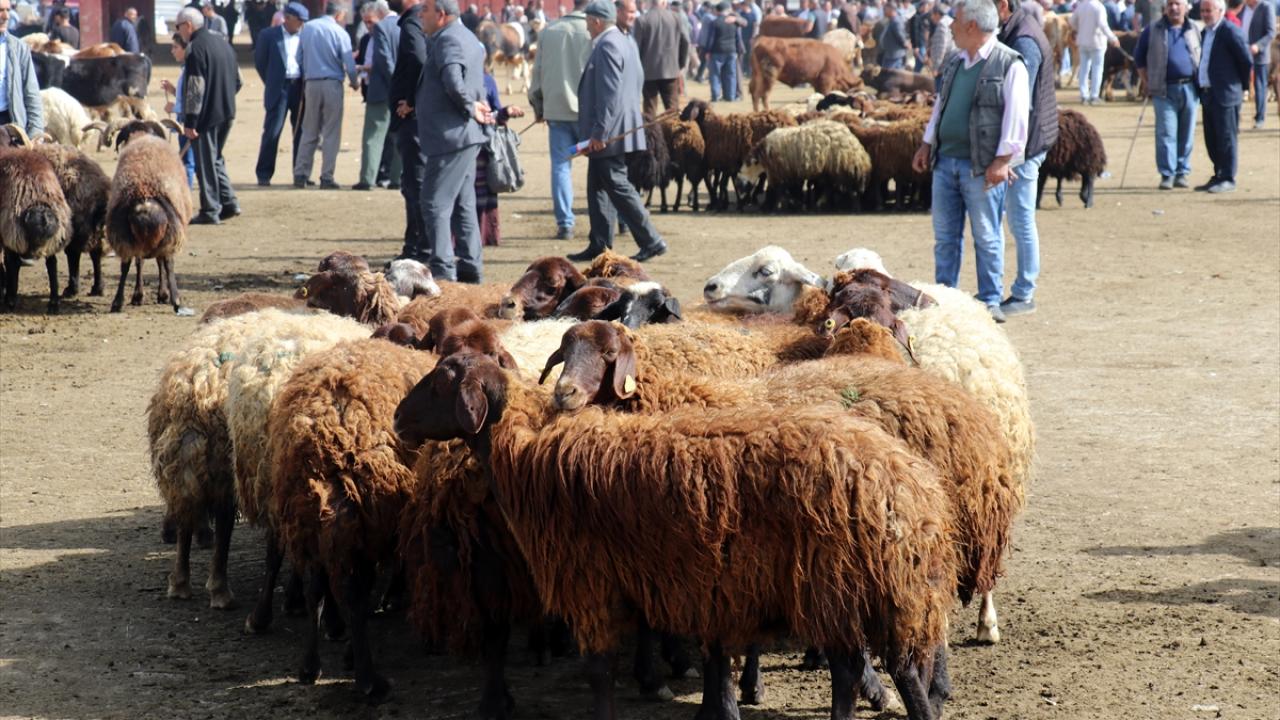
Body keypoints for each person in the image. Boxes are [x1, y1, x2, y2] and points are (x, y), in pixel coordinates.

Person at [911, 0, 1029, 324]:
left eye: (956, 21)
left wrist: (1003, 160)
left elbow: (1017, 119)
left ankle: (989, 300)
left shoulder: (1010, 64)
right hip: (945, 161)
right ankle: (945, 296)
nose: (950, 27)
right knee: (946, 236)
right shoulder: (955, 62)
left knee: (987, 235)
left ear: (972, 27)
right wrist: (927, 143)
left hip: (982, 166)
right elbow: (941, 106)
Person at [569, 0, 667, 262]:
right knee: (597, 187)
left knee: (617, 185)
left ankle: (651, 240)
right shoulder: (625, 41)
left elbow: (610, 94)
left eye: (588, 21)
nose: (587, 26)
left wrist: (600, 133)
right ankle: (599, 244)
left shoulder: (608, 44)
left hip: (610, 131)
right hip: (617, 127)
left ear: (597, 21)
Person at [415, 0, 494, 283]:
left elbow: (452, 79)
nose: (420, 14)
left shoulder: (448, 39)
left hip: (452, 136)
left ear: (442, 14)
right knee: (463, 204)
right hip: (462, 135)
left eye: (425, 9)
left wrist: (469, 106)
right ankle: (471, 269)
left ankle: (443, 272)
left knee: (434, 203)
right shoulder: (468, 37)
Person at [996, 0, 1057, 317]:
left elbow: (1021, 100)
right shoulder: (1017, 30)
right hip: (1028, 138)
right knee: (1018, 217)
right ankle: (1022, 289)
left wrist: (1010, 152)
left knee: (1020, 218)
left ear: (1003, 5)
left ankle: (1024, 292)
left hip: (1026, 142)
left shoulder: (1024, 39)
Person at [528, 0, 592, 240]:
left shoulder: (549, 32)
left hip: (557, 110)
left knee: (560, 167)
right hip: (590, 113)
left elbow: (538, 74)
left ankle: (565, 223)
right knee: (603, 167)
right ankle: (614, 217)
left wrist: (538, 105)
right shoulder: (595, 30)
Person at [176, 6, 241, 224]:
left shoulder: (195, 48)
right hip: (228, 111)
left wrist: (190, 121)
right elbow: (238, 80)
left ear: (188, 25)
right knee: (216, 159)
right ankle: (229, 202)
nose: (179, 32)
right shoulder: (223, 43)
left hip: (206, 115)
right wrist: (224, 97)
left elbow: (196, 86)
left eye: (178, 27)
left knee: (205, 161)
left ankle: (210, 208)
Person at [1134, 0, 1200, 189]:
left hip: (1190, 88)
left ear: (1186, 7)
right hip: (1163, 89)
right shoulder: (1153, 29)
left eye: (1177, 4)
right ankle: (1167, 174)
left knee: (1187, 133)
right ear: (1165, 8)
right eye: (1170, 4)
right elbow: (1139, 59)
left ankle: (1182, 172)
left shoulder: (1194, 28)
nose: (1174, 8)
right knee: (1166, 133)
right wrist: (1147, 82)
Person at [294, 2, 357, 189]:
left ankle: (300, 173)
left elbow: (298, 57)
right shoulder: (340, 33)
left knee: (309, 129)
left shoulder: (308, 29)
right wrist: (354, 82)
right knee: (331, 132)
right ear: (338, 14)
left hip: (311, 84)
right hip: (332, 84)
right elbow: (349, 63)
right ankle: (326, 176)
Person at [1195, 0, 1251, 192]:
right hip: (1208, 93)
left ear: (1220, 10)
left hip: (1226, 94)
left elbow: (1246, 60)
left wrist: (1239, 86)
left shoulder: (1230, 31)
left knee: (1227, 138)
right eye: (1202, 10)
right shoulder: (1205, 33)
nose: (1205, 14)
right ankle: (1218, 174)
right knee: (1212, 138)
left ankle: (1228, 177)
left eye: (1208, 10)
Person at [391, 0, 428, 261]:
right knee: (415, 185)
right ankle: (416, 247)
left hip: (413, 120)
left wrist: (412, 102)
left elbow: (418, 59)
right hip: (418, 118)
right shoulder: (418, 20)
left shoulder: (413, 21)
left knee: (415, 186)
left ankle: (417, 249)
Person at [254, 2, 307, 186]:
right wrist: (272, 83)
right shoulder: (268, 35)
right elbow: (260, 63)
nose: (301, 24)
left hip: (299, 87)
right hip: (279, 88)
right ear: (288, 18)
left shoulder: (306, 35)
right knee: (272, 131)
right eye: (299, 21)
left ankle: (300, 174)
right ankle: (264, 173)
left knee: (300, 131)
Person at [355, 0, 401, 190]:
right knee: (400, 136)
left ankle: (368, 178)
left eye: (369, 21)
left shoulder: (382, 28)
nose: (368, 27)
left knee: (373, 136)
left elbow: (384, 60)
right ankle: (397, 178)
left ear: (379, 14)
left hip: (382, 90)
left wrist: (394, 83)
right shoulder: (405, 24)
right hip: (402, 92)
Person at [476, 72, 526, 246]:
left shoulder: (486, 80)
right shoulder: (463, 78)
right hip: (472, 146)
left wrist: (505, 112)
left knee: (483, 190)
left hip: (484, 146)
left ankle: (484, 236)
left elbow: (496, 114)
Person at [634, 0, 690, 115]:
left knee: (649, 110)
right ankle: (674, 132)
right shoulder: (676, 18)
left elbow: (636, 47)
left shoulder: (642, 20)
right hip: (670, 69)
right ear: (664, 2)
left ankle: (650, 133)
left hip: (648, 71)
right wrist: (680, 63)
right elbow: (685, 41)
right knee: (673, 110)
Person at [0, 0, 43, 135]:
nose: (6, 16)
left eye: (8, 10)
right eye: (0, 10)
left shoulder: (19, 48)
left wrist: (36, 131)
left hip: (10, 126)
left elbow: (31, 92)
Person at [161, 33, 198, 187]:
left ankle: (186, 197)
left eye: (175, 47)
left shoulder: (191, 69)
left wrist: (174, 107)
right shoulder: (186, 69)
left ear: (185, 49)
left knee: (187, 163)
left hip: (189, 123)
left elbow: (196, 99)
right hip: (185, 122)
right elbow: (187, 95)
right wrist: (173, 90)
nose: (172, 51)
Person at [1071, 0, 1120, 103]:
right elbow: (1103, 25)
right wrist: (1113, 38)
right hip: (1097, 42)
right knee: (1097, 69)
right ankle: (1094, 95)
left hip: (1083, 41)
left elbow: (1072, 22)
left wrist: (1079, 29)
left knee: (1084, 69)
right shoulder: (1099, 7)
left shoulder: (1081, 6)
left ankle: (1084, 95)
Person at [1242, 0, 1274, 128]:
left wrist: (1258, 46)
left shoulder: (1266, 8)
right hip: (1243, 51)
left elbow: (1271, 32)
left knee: (1259, 86)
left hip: (1259, 55)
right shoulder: (1245, 8)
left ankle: (1260, 117)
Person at [705, 1, 743, 101]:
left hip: (717, 51)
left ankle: (716, 96)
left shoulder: (714, 22)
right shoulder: (734, 22)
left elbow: (711, 38)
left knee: (715, 75)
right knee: (730, 75)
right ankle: (730, 96)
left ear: (717, 11)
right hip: (731, 50)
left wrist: (707, 51)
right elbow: (737, 37)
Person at [878, 1, 910, 69]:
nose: (884, 11)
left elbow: (900, 35)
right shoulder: (891, 20)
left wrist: (905, 43)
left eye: (885, 9)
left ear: (891, 9)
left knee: (890, 75)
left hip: (895, 55)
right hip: (890, 54)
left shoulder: (896, 21)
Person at [927, 1, 955, 74]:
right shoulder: (949, 20)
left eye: (932, 14)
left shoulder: (942, 25)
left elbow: (941, 48)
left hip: (942, 66)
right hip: (950, 62)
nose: (931, 17)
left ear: (937, 14)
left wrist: (935, 67)